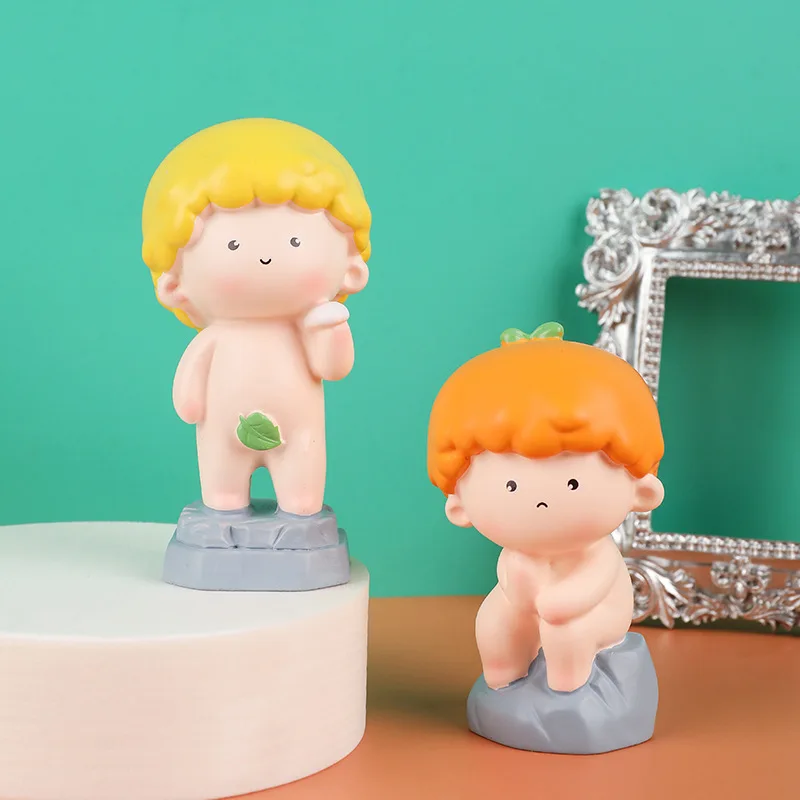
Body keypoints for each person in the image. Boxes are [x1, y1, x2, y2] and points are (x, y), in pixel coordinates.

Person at [427, 323, 665, 693]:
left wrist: (557, 603)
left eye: (573, 483)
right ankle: (503, 677)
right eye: (511, 485)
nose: (540, 501)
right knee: (493, 621)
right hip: (527, 606)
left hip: (594, 614)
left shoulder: (595, 555)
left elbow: (590, 585)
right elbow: (511, 581)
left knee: (565, 630)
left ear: (642, 492)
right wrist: (519, 593)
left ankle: (567, 689)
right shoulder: (516, 555)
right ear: (460, 507)